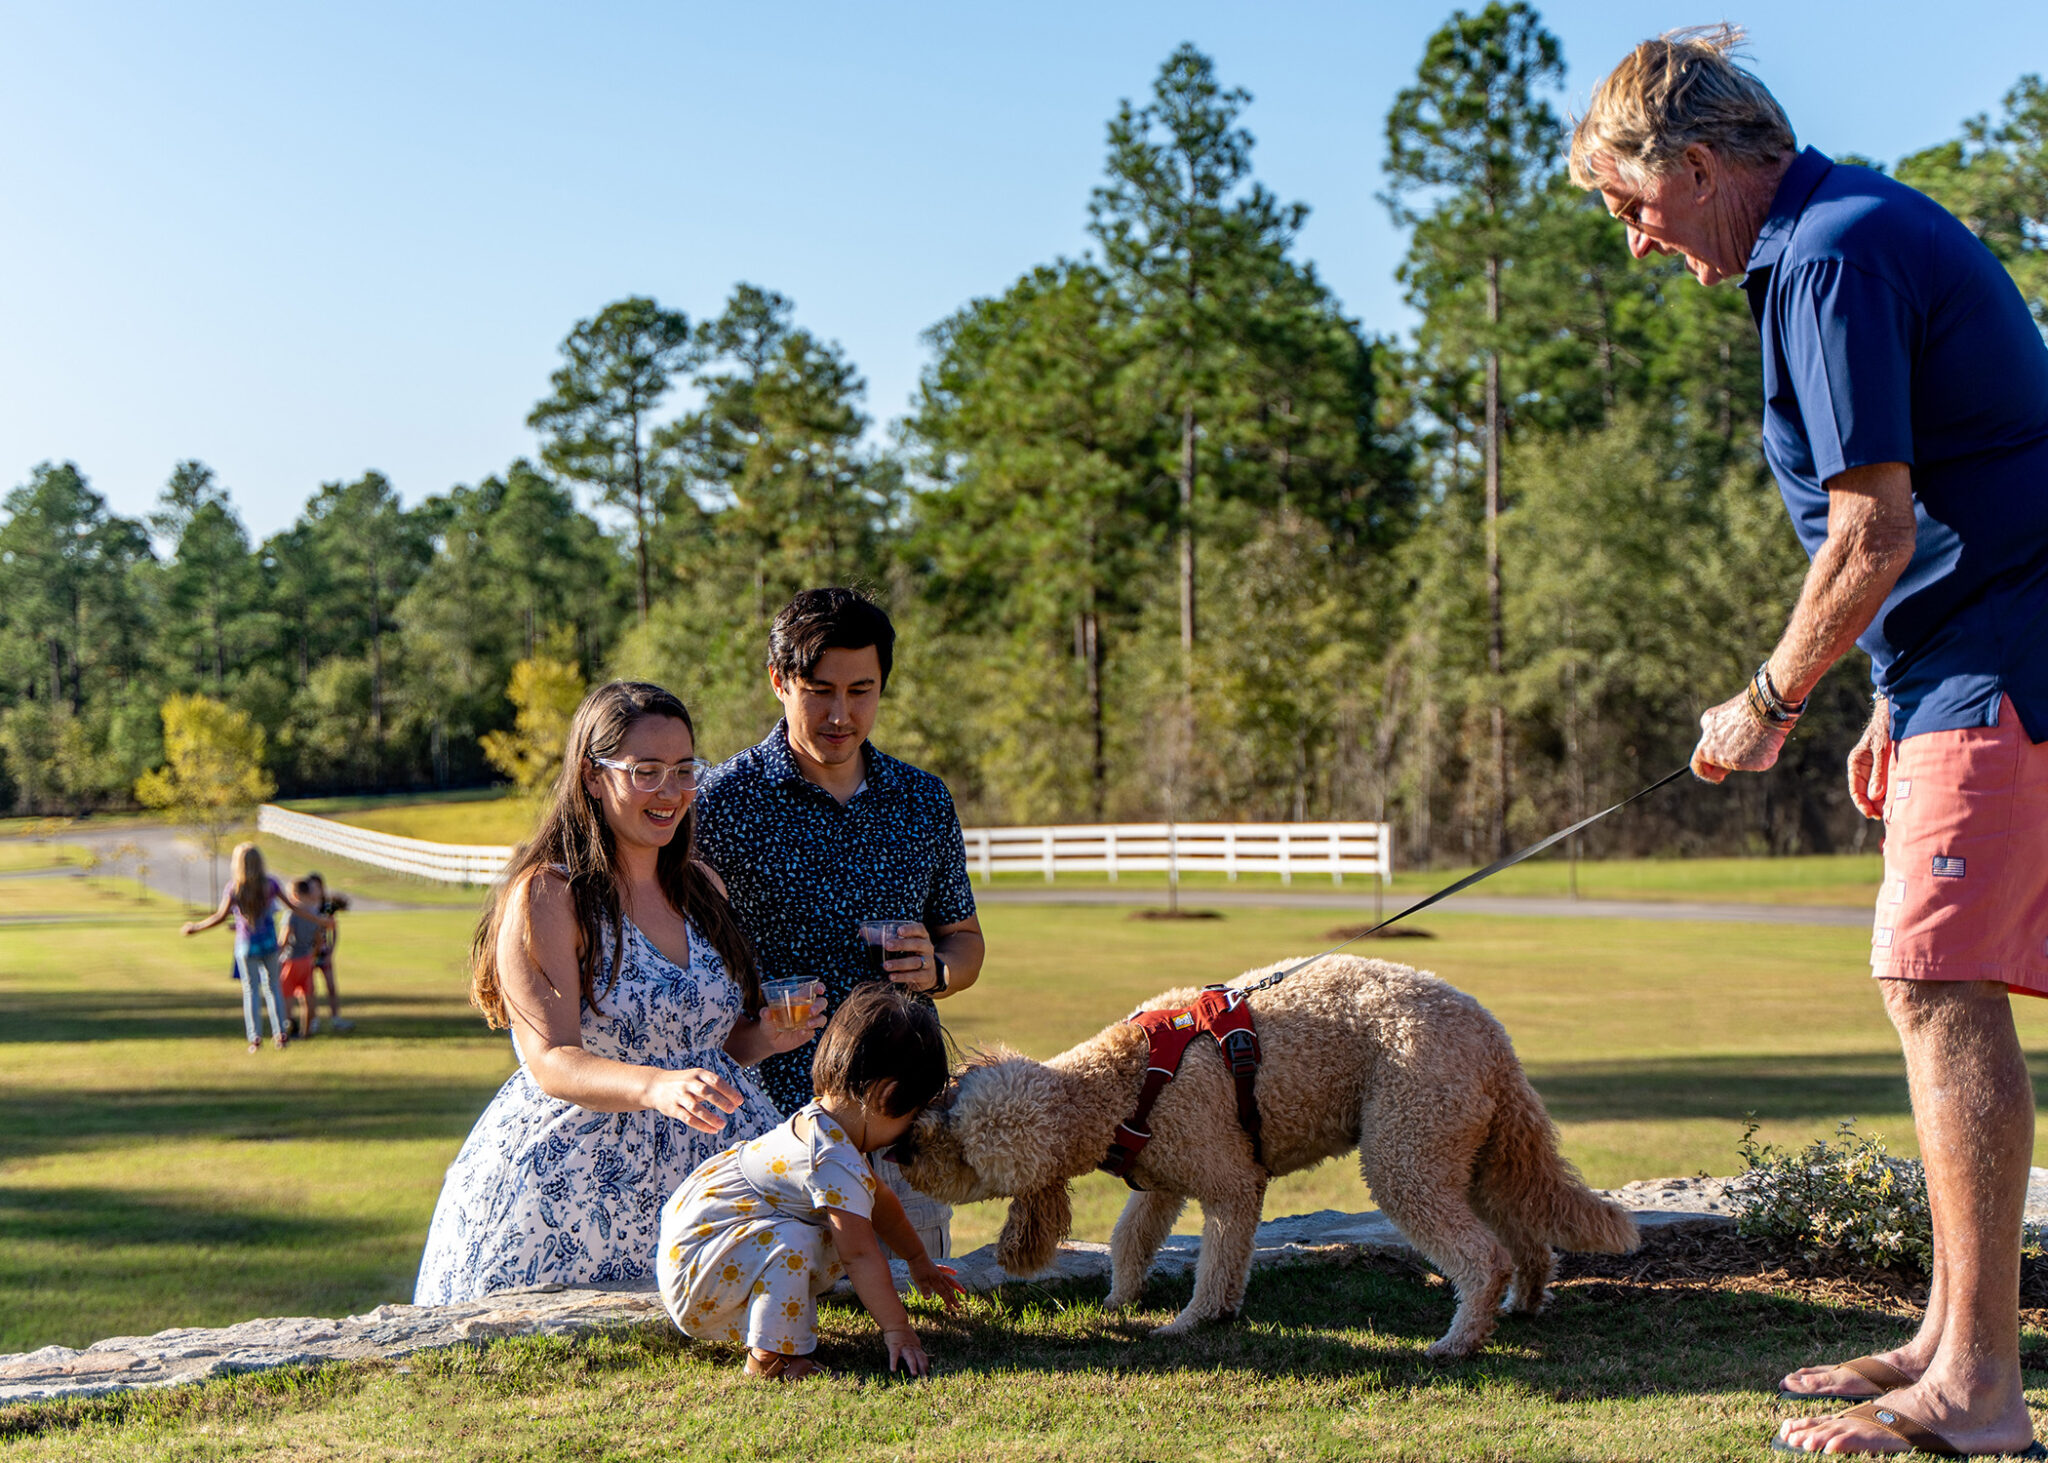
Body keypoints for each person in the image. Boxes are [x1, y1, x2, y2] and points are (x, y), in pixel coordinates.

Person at [1572, 27, 2048, 1459]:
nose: (1636, 241)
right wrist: (1888, 692)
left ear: (1696, 166)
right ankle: (1946, 1337)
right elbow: (1946, 498)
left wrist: (1767, 699)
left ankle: (1979, 1389)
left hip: (2007, 656)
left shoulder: (1832, 253)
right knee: (1931, 981)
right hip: (1958, 658)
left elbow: (1871, 531)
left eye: (1631, 205)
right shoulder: (1838, 236)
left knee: (1935, 980)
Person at [412, 681, 827, 1304]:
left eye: (684, 771)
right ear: (592, 775)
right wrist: (655, 1087)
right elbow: (551, 1060)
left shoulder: (702, 886)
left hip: (712, 1166)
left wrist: (765, 1036)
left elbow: (710, 1052)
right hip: (581, 1182)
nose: (671, 792)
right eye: (646, 772)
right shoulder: (550, 894)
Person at [694, 587, 986, 1261]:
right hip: (771, 1130)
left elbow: (965, 940)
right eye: (819, 690)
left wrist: (937, 969)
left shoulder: (922, 800)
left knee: (913, 1296)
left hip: (903, 1121)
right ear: (778, 681)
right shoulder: (720, 803)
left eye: (861, 691)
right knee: (790, 1303)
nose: (840, 714)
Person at [658, 983, 967, 1380]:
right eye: (912, 1116)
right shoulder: (831, 1157)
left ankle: (773, 1332)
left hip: (703, 1255)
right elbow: (861, 1256)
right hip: (699, 1277)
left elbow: (882, 1202)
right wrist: (898, 1329)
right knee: (804, 1241)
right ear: (887, 1096)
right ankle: (771, 1359)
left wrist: (919, 1260)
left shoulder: (828, 1126)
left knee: (815, 1235)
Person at [181, 842, 325, 1055]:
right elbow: (293, 907)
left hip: (246, 945)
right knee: (273, 988)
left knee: (251, 991)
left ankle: (255, 1037)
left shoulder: (235, 888)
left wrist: (196, 927)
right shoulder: (271, 884)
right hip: (269, 944)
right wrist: (319, 920)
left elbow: (220, 917)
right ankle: (280, 1034)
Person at [277, 876, 331, 1041]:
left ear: (295, 894)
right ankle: (305, 1032)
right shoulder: (314, 913)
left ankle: (287, 1027)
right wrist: (313, 955)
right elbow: (319, 939)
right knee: (307, 995)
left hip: (291, 958)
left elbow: (285, 938)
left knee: (286, 995)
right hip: (307, 959)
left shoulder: (292, 914)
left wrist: (277, 955)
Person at [307, 873, 354, 1034]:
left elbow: (333, 929)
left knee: (331, 986)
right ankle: (312, 1020)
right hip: (309, 952)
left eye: (317, 887)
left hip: (323, 952)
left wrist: (331, 951)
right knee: (310, 989)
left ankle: (335, 1018)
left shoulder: (327, 907)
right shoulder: (306, 907)